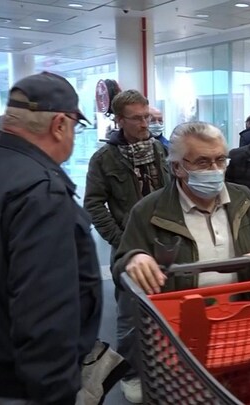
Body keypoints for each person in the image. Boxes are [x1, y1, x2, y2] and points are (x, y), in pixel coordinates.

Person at [0, 72, 102, 404]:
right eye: (74, 126)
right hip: (24, 384)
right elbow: (44, 310)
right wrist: (55, 391)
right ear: (59, 124)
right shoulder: (41, 193)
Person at [114, 121, 250, 293]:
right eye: (202, 162)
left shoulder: (242, 198)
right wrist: (133, 258)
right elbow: (120, 266)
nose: (215, 170)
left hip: (240, 313)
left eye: (220, 160)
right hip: (180, 314)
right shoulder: (148, 210)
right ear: (177, 167)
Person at [83, 89, 169, 403]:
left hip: (165, 244)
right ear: (119, 120)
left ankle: (162, 368)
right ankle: (131, 374)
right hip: (129, 248)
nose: (145, 123)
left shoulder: (159, 150)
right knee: (131, 316)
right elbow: (93, 204)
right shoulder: (104, 158)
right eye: (137, 118)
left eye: (147, 117)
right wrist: (121, 241)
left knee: (167, 308)